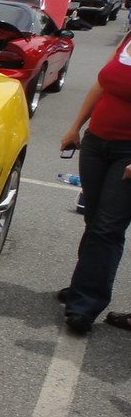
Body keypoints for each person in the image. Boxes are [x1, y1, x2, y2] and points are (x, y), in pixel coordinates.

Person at [57, 34, 131, 334]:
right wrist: (75, 127)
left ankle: (84, 306)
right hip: (96, 143)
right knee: (93, 219)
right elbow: (101, 85)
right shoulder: (128, 39)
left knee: (107, 228)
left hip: (127, 153)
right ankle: (83, 286)